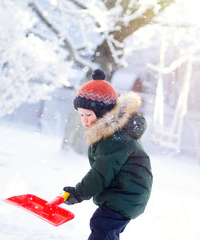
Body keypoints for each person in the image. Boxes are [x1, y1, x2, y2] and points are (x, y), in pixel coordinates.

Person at [63, 69, 153, 240]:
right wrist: (78, 192)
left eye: (88, 115)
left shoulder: (114, 139)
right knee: (105, 228)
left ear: (103, 113)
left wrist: (79, 193)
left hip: (126, 194)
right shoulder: (111, 135)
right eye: (81, 115)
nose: (85, 120)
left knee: (103, 226)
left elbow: (101, 173)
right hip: (126, 192)